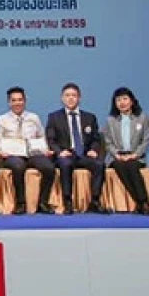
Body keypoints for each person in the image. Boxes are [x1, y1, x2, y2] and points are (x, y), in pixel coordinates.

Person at [45, 82, 108, 214]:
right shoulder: (54, 117)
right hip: (66, 155)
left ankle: (95, 201)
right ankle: (68, 201)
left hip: (84, 155)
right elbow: (51, 139)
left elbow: (96, 139)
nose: (71, 98)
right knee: (65, 164)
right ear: (62, 98)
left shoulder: (90, 117)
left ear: (79, 98)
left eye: (74, 95)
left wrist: (93, 149)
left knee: (99, 165)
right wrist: (59, 152)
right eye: (67, 95)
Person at [0, 87, 56, 215]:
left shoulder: (34, 117)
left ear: (25, 101)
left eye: (20, 100)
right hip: (12, 155)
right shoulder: (2, 119)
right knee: (18, 166)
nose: (17, 103)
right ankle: (21, 203)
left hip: (32, 154)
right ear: (9, 102)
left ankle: (43, 202)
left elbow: (41, 136)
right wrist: (1, 152)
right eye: (14, 100)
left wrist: (46, 149)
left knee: (49, 167)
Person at [101, 86, 149, 215]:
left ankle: (143, 202)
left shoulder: (142, 118)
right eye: (118, 100)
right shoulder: (111, 120)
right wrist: (116, 154)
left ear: (132, 101)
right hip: (117, 157)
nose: (122, 103)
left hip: (136, 156)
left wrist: (135, 155)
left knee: (131, 166)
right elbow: (107, 142)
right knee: (121, 166)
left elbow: (146, 140)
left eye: (125, 99)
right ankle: (141, 202)